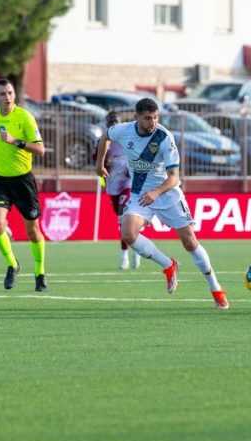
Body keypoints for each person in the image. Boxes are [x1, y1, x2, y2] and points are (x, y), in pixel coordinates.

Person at [95, 98, 229, 310]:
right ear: (137, 117)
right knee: (128, 234)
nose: (153, 122)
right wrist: (99, 164)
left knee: (190, 242)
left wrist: (156, 193)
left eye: (156, 117)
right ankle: (168, 265)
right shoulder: (123, 130)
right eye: (148, 118)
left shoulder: (164, 137)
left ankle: (216, 288)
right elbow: (105, 137)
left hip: (167, 193)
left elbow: (174, 177)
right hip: (141, 193)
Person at [0, 79, 47, 291]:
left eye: (10, 93)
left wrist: (14, 141)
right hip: (0, 179)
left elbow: (40, 150)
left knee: (32, 229)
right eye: (2, 94)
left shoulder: (24, 117)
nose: (7, 97)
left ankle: (40, 273)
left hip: (23, 180)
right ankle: (12, 264)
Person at [99, 111, 140, 270]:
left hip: (128, 182)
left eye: (116, 123)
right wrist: (104, 162)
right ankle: (136, 245)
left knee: (124, 216)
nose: (113, 126)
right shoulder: (104, 140)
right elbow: (96, 161)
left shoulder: (129, 137)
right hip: (112, 183)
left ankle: (125, 256)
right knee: (121, 220)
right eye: (110, 123)